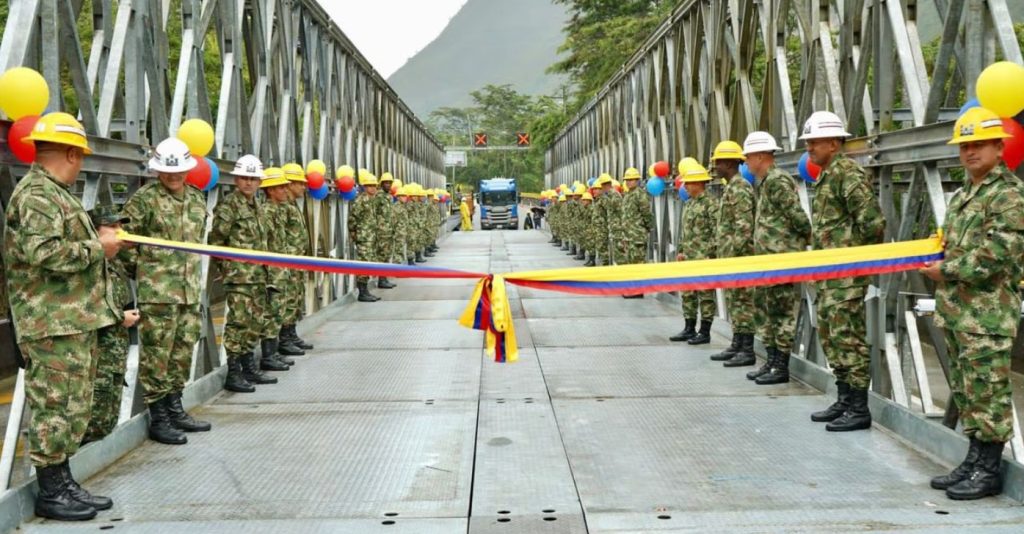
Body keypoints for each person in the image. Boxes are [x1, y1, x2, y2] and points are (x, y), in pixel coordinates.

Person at [5, 112, 121, 520]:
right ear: (72, 153)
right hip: (51, 323)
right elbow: (44, 254)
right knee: (55, 406)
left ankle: (63, 481)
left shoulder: (54, 193)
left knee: (70, 407)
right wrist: (98, 249)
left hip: (70, 320)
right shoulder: (38, 196)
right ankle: (52, 491)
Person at [920, 107, 1024, 499]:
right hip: (960, 311)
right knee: (967, 392)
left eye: (978, 144)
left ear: (999, 147)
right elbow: (956, 244)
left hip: (987, 313)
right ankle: (975, 459)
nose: (969, 153)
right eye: (964, 146)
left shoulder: (1008, 194)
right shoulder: (965, 194)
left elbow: (1000, 251)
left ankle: (990, 470)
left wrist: (946, 270)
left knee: (988, 392)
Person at [121, 137, 211, 446]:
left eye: (178, 172)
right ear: (158, 171)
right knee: (157, 356)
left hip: (187, 291)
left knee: (182, 351)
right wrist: (147, 271)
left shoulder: (197, 200)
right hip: (158, 294)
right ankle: (159, 417)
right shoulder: (144, 200)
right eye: (167, 172)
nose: (173, 177)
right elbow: (123, 243)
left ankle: (176, 408)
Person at [801, 111, 886, 432]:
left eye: (814, 141)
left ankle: (859, 407)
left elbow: (873, 222)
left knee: (848, 338)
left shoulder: (847, 175)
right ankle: (845, 398)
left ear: (834, 143)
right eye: (808, 142)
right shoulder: (827, 176)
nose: (809, 147)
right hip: (829, 275)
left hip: (846, 277)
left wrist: (855, 261)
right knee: (833, 337)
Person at [209, 155, 282, 394]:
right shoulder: (229, 206)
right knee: (239, 323)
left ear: (259, 182)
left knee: (254, 322)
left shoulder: (258, 206)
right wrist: (227, 269)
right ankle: (234, 371)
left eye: (253, 179)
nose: (248, 183)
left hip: (258, 275)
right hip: (240, 277)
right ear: (236, 180)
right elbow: (217, 241)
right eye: (244, 178)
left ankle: (248, 366)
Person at [742, 132, 811, 384]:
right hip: (767, 260)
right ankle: (771, 361)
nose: (746, 163)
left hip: (780, 260)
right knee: (767, 311)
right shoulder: (765, 181)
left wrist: (800, 243)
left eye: (748, 157)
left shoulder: (777, 181)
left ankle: (780, 366)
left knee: (781, 314)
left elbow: (797, 216)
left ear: (761, 156)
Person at [83, 206, 138, 445]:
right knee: (92, 420)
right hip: (97, 355)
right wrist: (120, 317)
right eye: (112, 227)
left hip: (114, 354)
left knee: (107, 418)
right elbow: (84, 305)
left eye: (121, 226)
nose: (120, 232)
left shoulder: (114, 262)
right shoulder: (88, 266)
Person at [709, 140, 758, 367]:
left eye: (718, 162)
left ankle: (747, 349)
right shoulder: (732, 186)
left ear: (729, 163)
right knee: (735, 302)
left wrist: (737, 258)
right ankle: (738, 343)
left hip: (739, 258)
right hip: (730, 258)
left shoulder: (740, 188)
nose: (715, 166)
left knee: (743, 303)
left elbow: (744, 226)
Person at [670, 159, 718, 345]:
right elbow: (685, 231)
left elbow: (717, 231)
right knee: (688, 293)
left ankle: (704, 331)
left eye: (688, 184)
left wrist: (710, 254)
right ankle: (689, 327)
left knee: (706, 295)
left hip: (704, 258)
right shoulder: (689, 204)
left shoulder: (711, 204)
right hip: (689, 258)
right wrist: (681, 250)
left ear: (698, 183)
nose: (686, 187)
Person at [260, 167, 302, 362]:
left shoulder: (281, 209)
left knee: (284, 305)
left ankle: (280, 345)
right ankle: (270, 354)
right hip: (273, 269)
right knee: (273, 310)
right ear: (270, 190)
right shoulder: (267, 212)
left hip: (284, 266)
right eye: (281, 187)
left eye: (286, 187)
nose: (285, 191)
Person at [281, 163, 313, 352]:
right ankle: (284, 340)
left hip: (296, 262)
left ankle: (291, 334)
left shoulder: (292, 205)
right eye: (300, 183)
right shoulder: (283, 207)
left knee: (294, 299)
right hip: (287, 263)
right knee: (286, 301)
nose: (303, 187)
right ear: (290, 184)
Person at [620, 167, 654, 297]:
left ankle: (638, 290)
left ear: (637, 180)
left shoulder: (640, 195)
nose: (629, 182)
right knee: (630, 263)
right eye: (627, 180)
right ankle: (632, 289)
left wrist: (645, 228)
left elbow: (646, 214)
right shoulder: (628, 195)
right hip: (629, 235)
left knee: (638, 263)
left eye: (631, 180)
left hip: (637, 235)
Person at [349, 169, 381, 301]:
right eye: (370, 186)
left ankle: (365, 289)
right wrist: (354, 234)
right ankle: (362, 292)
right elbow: (352, 218)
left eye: (374, 186)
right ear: (365, 187)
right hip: (363, 236)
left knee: (368, 263)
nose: (373, 188)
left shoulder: (372, 201)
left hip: (371, 236)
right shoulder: (360, 201)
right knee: (364, 263)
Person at [375, 172, 398, 289]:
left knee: (387, 255)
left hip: (389, 231)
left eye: (390, 183)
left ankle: (384, 278)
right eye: (386, 183)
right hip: (381, 231)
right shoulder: (378, 197)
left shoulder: (389, 197)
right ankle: (381, 279)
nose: (388, 185)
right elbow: (374, 213)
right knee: (382, 256)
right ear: (381, 184)